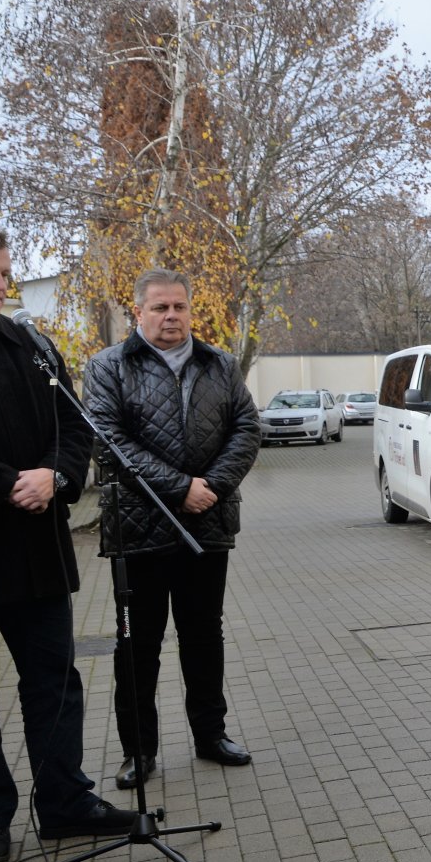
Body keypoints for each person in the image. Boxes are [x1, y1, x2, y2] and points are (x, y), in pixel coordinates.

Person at [0, 218, 134, 862]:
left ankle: (64, 803)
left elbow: (75, 418)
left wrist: (58, 475)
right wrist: (11, 484)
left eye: (4, 273)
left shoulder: (28, 341)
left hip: (37, 554)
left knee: (54, 684)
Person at [84, 267, 262, 785]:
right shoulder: (108, 367)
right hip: (139, 530)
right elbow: (109, 439)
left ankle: (211, 735)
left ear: (191, 309)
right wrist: (179, 487)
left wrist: (210, 487)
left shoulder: (221, 365)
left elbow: (247, 429)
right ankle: (139, 752)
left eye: (179, 307)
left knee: (204, 636)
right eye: (159, 307)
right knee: (137, 646)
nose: (171, 317)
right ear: (137, 311)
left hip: (207, 523)